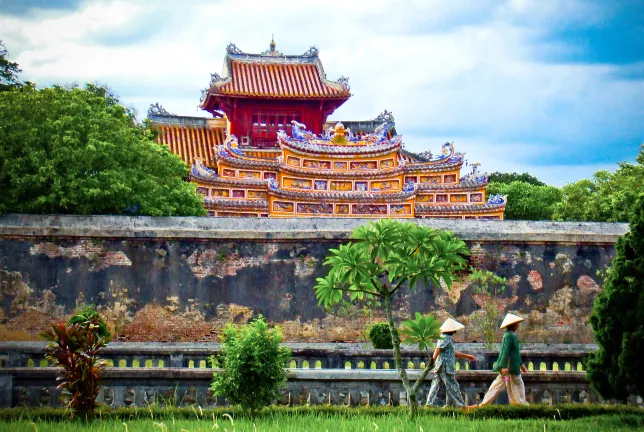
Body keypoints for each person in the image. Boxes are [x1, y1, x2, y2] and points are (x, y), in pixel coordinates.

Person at [474, 313, 528, 407]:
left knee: (501, 385)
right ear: (513, 324)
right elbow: (505, 352)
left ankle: (483, 405)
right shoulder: (508, 336)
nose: (518, 325)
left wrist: (521, 365)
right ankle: (520, 406)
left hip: (509, 371)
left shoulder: (511, 336)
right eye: (517, 323)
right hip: (508, 370)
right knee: (515, 386)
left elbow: (514, 353)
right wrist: (504, 367)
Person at [425, 318, 477, 407]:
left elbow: (452, 352)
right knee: (453, 386)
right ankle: (462, 406)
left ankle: (428, 404)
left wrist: (467, 356)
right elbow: (438, 349)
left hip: (440, 366)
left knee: (435, 385)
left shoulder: (443, 338)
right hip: (445, 367)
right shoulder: (446, 338)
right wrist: (432, 360)